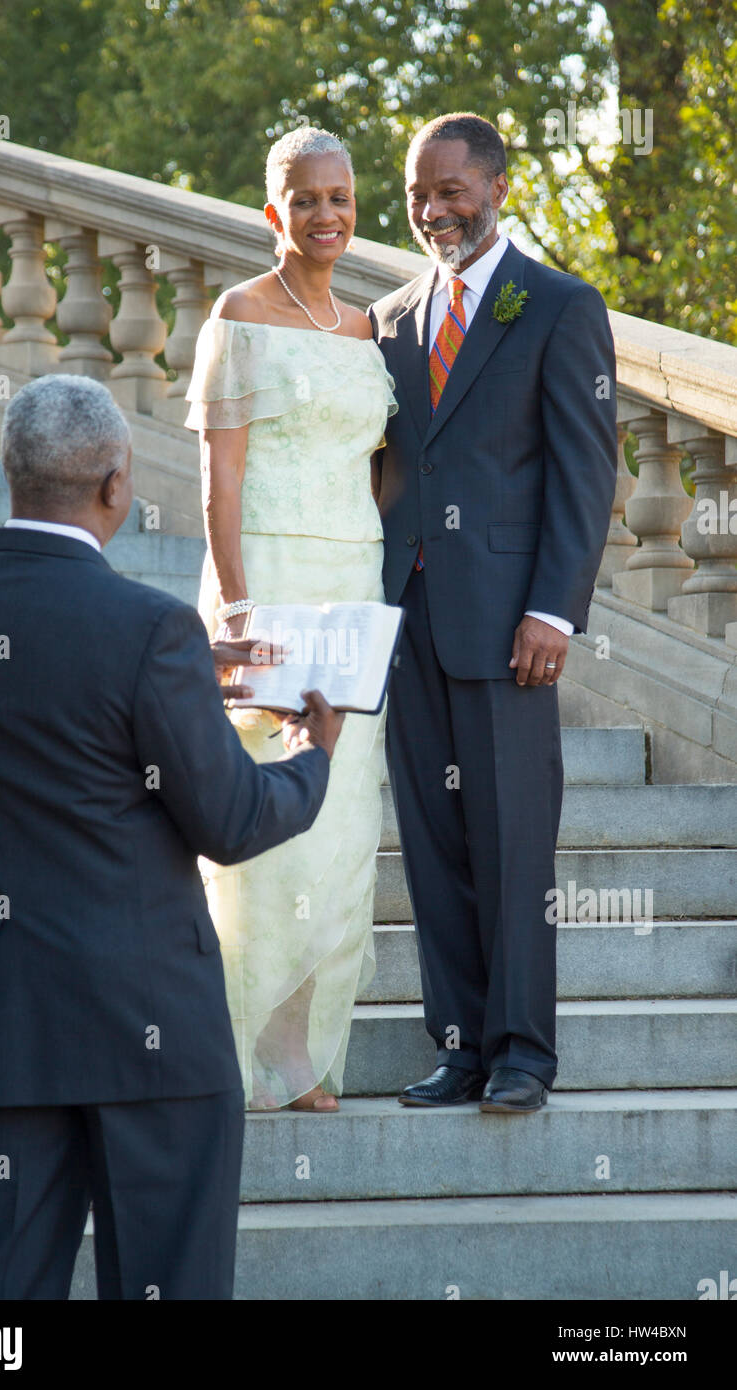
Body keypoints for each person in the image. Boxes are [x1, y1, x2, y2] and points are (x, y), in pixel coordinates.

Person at [0, 373, 345, 1300]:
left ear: (11, 472)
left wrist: (175, 681)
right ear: (115, 485)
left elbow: (47, 701)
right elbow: (232, 819)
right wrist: (313, 756)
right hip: (153, 1030)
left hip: (9, 1021)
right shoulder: (151, 628)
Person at [368, 113, 617, 1113]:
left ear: (498, 188)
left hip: (509, 622)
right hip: (407, 621)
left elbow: (584, 470)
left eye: (450, 191)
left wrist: (552, 613)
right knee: (433, 840)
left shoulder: (557, 306)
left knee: (511, 842)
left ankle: (521, 1053)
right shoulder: (387, 319)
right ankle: (461, 1044)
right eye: (417, 195)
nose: (432, 210)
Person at [185, 127, 398, 1113]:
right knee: (263, 813)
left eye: (340, 198)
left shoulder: (366, 331)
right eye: (304, 199)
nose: (324, 216)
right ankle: (241, 1045)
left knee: (342, 824)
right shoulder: (236, 317)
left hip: (352, 585)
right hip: (266, 581)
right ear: (272, 208)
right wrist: (235, 610)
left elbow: (378, 471)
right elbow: (216, 484)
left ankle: (303, 1053)